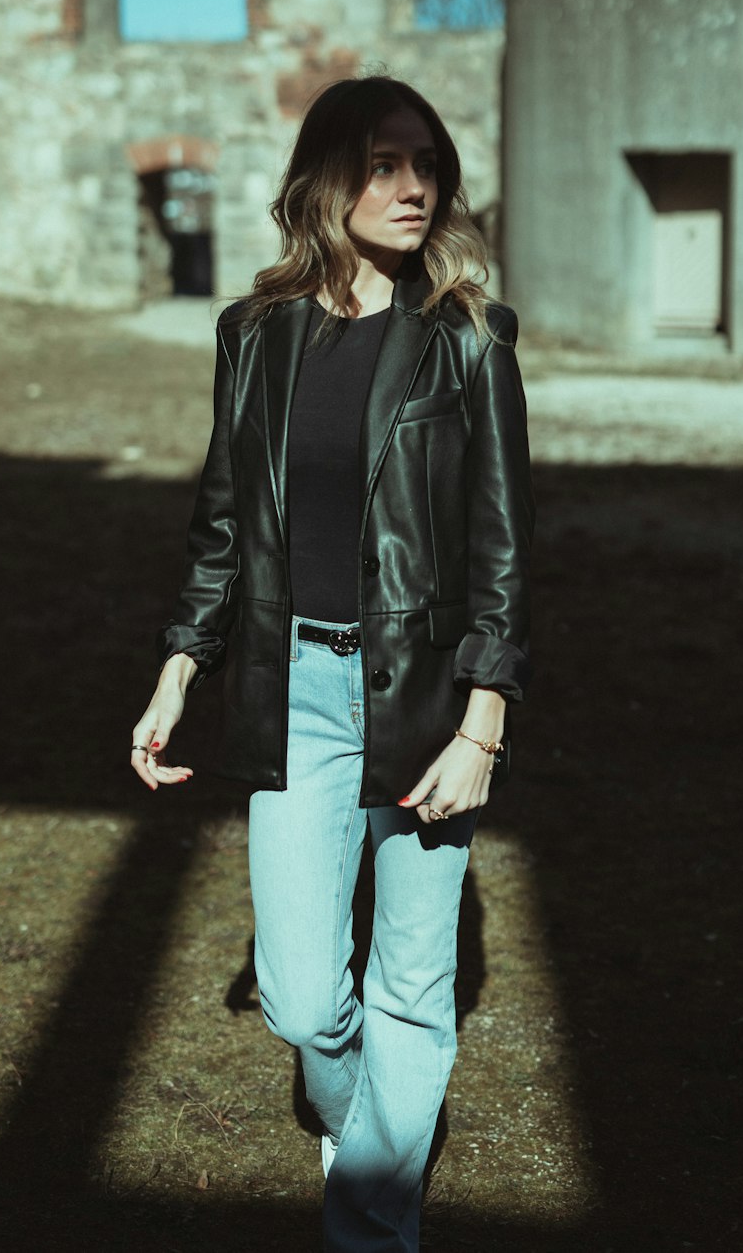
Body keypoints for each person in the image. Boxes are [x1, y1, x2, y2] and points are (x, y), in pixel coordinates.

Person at [130, 74, 535, 1252]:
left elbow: (504, 549)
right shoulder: (254, 334)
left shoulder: (467, 337)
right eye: (382, 164)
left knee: (413, 987)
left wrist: (482, 725)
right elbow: (222, 520)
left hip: (423, 698)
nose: (413, 187)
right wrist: (178, 664)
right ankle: (358, 1122)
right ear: (325, 178)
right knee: (305, 996)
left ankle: (367, 1223)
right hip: (291, 688)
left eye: (426, 164)